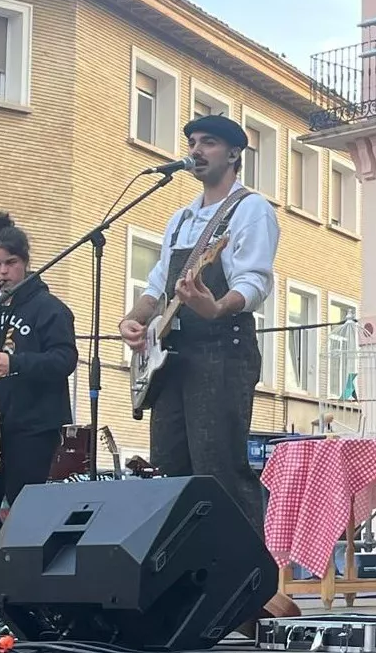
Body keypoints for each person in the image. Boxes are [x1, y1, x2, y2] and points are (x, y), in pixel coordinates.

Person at [119, 114, 279, 536]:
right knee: (171, 469)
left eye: (208, 142)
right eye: (192, 142)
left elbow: (254, 281)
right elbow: (157, 286)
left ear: (233, 154)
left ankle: (248, 579)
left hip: (222, 350)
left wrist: (217, 306)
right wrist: (133, 321)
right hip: (173, 357)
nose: (195, 150)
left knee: (219, 467)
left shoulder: (251, 209)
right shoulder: (181, 218)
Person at [0, 211, 77, 614]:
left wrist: (15, 362)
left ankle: (25, 595)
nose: (2, 272)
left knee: (25, 513)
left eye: (9, 263)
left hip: (34, 426)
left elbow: (65, 359)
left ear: (25, 261)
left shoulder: (49, 308)